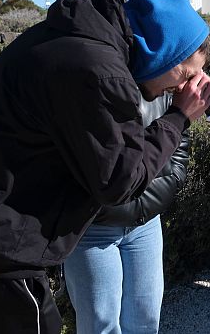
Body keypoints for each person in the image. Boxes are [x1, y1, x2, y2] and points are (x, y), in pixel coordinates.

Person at [0, 0, 210, 333]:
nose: (182, 88)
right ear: (164, 56)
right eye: (185, 75)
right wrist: (178, 117)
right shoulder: (97, 70)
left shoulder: (83, 37)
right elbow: (118, 181)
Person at [63, 92, 191, 333]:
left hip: (146, 224)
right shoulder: (97, 73)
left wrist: (173, 179)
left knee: (145, 322)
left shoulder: (164, 80)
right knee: (100, 327)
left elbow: (180, 133)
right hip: (93, 228)